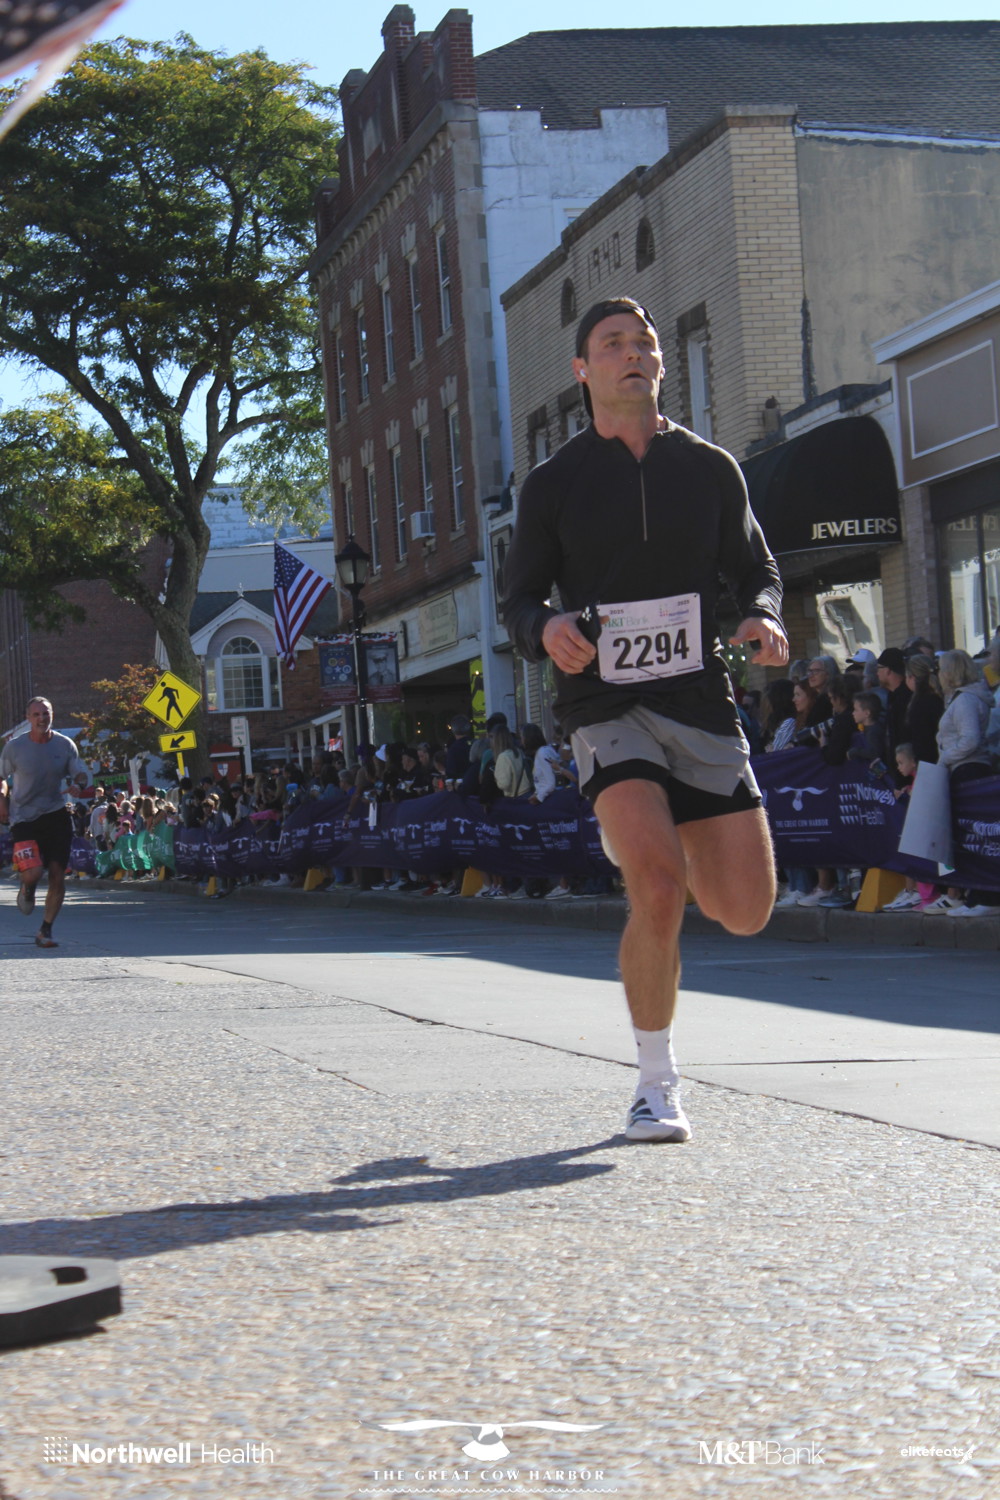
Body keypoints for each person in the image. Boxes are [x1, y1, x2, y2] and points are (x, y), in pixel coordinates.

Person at [502, 296, 787, 1143]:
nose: (633, 354)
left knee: (745, 909)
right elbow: (519, 599)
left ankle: (667, 833)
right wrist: (545, 628)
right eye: (612, 344)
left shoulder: (710, 469)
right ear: (582, 370)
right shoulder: (552, 484)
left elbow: (758, 569)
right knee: (658, 888)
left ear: (660, 363)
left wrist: (763, 615)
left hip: (699, 702)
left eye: (645, 343)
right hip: (605, 705)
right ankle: (655, 1086)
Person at [0, 696, 90, 947]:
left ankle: (45, 930)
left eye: (46, 714)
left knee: (58, 875)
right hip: (24, 817)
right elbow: (1, 777)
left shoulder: (65, 745)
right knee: (33, 873)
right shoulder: (15, 747)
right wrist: (2, 800)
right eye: (36, 714)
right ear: (28, 718)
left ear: (52, 715)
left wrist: (78, 784)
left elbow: (80, 773)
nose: (42, 719)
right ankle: (27, 887)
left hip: (55, 814)